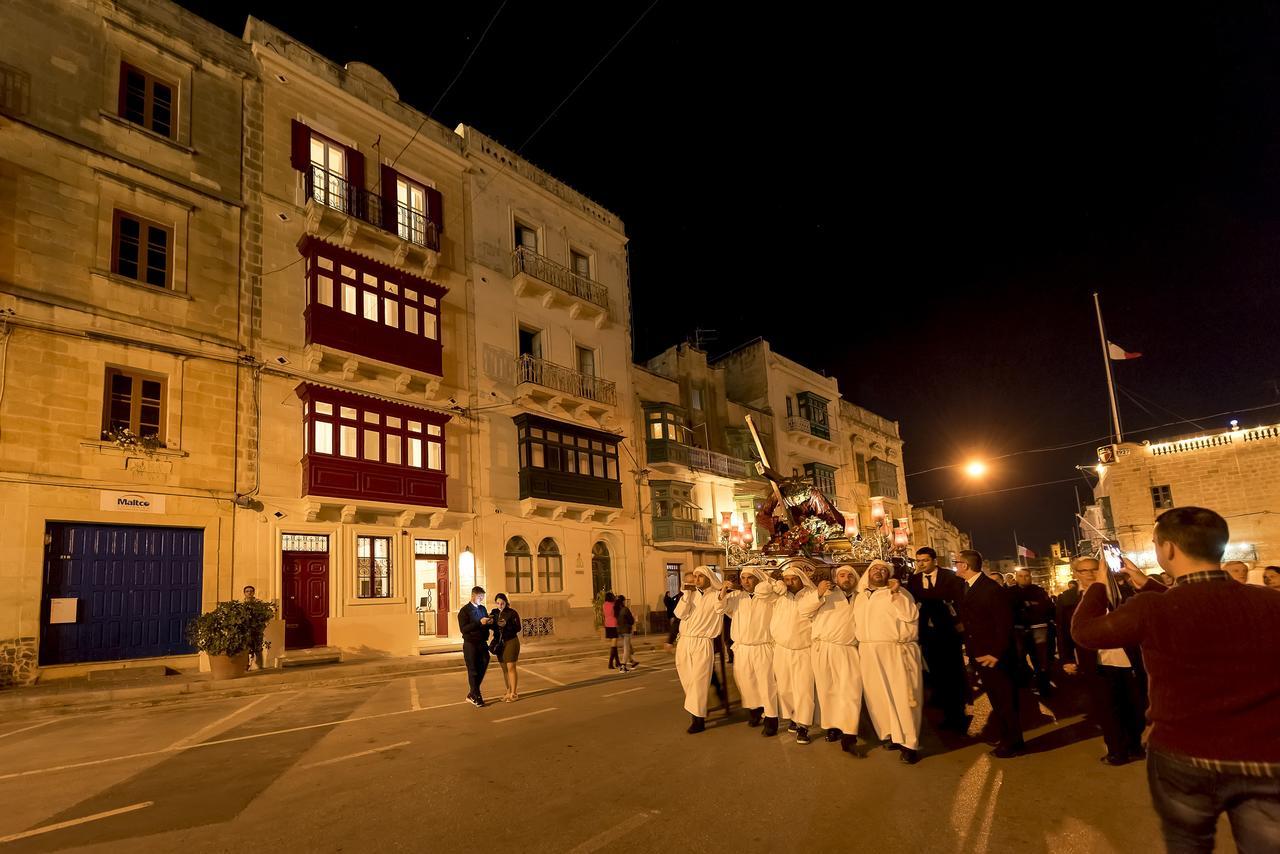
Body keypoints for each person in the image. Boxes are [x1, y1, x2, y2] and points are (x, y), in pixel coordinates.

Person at [1073, 507, 1280, 853]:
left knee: (1187, 843)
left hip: (1184, 754)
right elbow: (1198, 603)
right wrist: (1146, 583)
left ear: (1168, 549)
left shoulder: (1153, 608)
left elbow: (1085, 631)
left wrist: (1097, 585)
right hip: (1265, 755)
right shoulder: (1271, 603)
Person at [1061, 558, 1148, 765]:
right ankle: (1116, 751)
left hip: (1128, 660)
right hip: (1096, 661)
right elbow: (1063, 631)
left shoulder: (1120, 593)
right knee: (1107, 709)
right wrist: (1066, 658)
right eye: (1084, 571)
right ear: (1076, 573)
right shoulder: (1068, 599)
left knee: (1134, 706)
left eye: (1095, 570)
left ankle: (1135, 745)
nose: (1090, 574)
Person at [955, 549, 1024, 758]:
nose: (955, 565)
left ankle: (1013, 742)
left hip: (995, 657)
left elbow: (1004, 623)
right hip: (980, 654)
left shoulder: (990, 589)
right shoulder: (968, 586)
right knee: (996, 698)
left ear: (965, 565)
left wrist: (996, 653)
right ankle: (1007, 737)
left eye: (957, 562)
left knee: (1004, 699)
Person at [855, 559, 924, 764]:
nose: (878, 572)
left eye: (883, 570)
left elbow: (911, 615)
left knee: (904, 696)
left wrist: (895, 594)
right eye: (875, 569)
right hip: (868, 650)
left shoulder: (899, 593)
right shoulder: (861, 597)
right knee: (878, 695)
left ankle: (910, 742)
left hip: (896, 649)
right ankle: (891, 734)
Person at [907, 547, 969, 730]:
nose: (921, 564)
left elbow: (958, 601)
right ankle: (946, 714)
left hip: (948, 632)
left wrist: (960, 623)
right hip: (927, 634)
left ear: (934, 560)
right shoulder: (914, 580)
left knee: (954, 673)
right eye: (918, 561)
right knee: (936, 674)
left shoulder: (950, 577)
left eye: (925, 560)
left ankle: (959, 714)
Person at [804, 564, 862, 753]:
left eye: (850, 576)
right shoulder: (826, 594)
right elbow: (803, 611)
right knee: (827, 690)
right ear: (836, 578)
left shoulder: (861, 598)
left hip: (848, 649)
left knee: (851, 691)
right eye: (842, 575)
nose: (846, 579)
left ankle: (850, 733)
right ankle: (832, 727)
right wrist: (818, 594)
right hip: (824, 648)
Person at [721, 566, 781, 735]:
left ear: (758, 579)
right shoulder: (736, 597)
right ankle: (754, 710)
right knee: (745, 682)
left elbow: (778, 589)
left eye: (750, 578)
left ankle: (771, 718)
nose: (745, 581)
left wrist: (769, 585)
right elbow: (719, 607)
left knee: (767, 683)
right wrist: (724, 589)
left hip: (763, 646)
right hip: (742, 648)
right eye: (743, 578)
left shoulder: (769, 597)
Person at [768, 561, 820, 745]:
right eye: (786, 579)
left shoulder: (810, 596)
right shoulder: (780, 596)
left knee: (803, 689)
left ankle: (803, 726)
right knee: (785, 687)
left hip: (803, 650)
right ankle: (793, 716)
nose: (789, 583)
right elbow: (762, 587)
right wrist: (775, 582)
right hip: (782, 650)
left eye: (793, 579)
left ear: (802, 580)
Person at [673, 566, 726, 734]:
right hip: (684, 642)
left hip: (703, 643)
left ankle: (698, 719)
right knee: (688, 680)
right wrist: (686, 596)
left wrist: (723, 590)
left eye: (700, 576)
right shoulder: (691, 595)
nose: (696, 579)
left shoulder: (715, 596)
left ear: (709, 578)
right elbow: (679, 614)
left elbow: (720, 608)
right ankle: (698, 710)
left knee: (699, 681)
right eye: (695, 576)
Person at [1010, 568, 1055, 696]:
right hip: (1018, 629)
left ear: (1030, 577)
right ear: (1016, 577)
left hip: (1038, 628)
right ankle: (1026, 683)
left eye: (1026, 576)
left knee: (1041, 660)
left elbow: (1046, 607)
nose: (1024, 578)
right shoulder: (1010, 592)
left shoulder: (1038, 591)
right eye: (1021, 576)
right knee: (1019, 659)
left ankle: (1043, 686)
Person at [458, 586, 494, 707]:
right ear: (473, 596)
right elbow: (464, 629)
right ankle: (476, 696)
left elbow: (485, 623)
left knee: (484, 662)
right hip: (470, 644)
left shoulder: (482, 608)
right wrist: (479, 622)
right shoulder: (464, 611)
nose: (481, 599)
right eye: (480, 597)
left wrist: (489, 622)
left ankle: (472, 692)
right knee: (473, 669)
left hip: (482, 642)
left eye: (483, 597)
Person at [491, 593, 522, 702]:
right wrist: (490, 622)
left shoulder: (512, 613)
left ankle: (514, 693)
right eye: (498, 603)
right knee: (504, 669)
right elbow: (492, 627)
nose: (500, 605)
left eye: (502, 603)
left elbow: (518, 628)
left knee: (511, 667)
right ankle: (508, 691)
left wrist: (507, 625)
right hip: (500, 643)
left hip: (511, 641)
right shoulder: (494, 613)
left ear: (506, 602)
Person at [614, 595, 638, 672]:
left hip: (620, 631)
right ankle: (623, 666)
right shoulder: (625, 609)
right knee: (626, 648)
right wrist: (633, 617)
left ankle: (632, 662)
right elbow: (631, 621)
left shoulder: (616, 610)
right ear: (623, 601)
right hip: (626, 630)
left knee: (628, 646)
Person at [603, 592, 620, 670]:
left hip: (607, 625)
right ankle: (610, 663)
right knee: (614, 645)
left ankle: (617, 662)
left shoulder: (604, 604)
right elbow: (617, 613)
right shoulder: (613, 604)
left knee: (614, 645)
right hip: (613, 624)